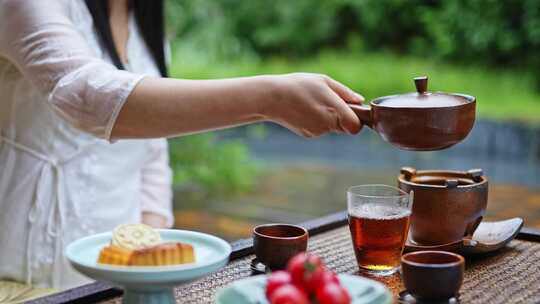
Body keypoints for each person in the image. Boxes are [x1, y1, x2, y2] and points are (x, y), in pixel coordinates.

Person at [0, 0, 363, 291]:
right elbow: (85, 96)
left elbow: (152, 153)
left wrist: (150, 262)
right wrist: (270, 99)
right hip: (21, 281)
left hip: (115, 281)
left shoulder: (143, 19)